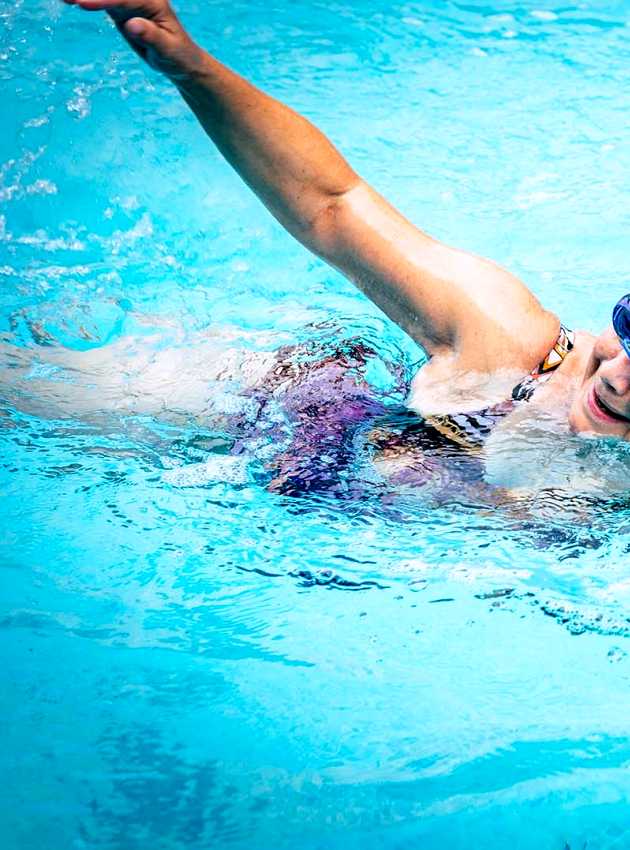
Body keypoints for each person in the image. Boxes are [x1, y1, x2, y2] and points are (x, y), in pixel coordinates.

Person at [40, 0, 630, 494]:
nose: (619, 376)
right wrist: (188, 65)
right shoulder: (511, 343)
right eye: (628, 332)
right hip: (262, 420)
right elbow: (335, 206)